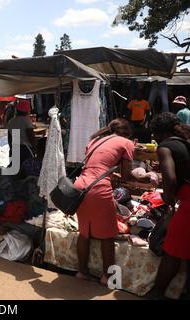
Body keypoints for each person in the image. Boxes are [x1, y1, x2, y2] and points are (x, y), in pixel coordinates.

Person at [74, 119, 153, 286]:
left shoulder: (95, 140)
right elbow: (127, 176)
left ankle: (82, 272)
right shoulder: (126, 143)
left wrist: (112, 175)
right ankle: (108, 277)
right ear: (127, 133)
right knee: (107, 236)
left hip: (80, 186)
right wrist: (147, 178)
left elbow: (96, 166)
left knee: (84, 233)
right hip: (98, 190)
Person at [149, 113, 190, 299]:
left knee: (171, 251)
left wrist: (168, 198)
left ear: (158, 134)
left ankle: (157, 293)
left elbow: (170, 179)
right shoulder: (185, 143)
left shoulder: (165, 147)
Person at [7, 99, 36, 169]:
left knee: (15, 169)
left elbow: (9, 137)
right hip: (25, 149)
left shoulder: (11, 121)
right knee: (26, 170)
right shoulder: (26, 121)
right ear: (27, 111)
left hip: (14, 147)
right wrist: (34, 147)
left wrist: (11, 147)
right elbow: (31, 136)